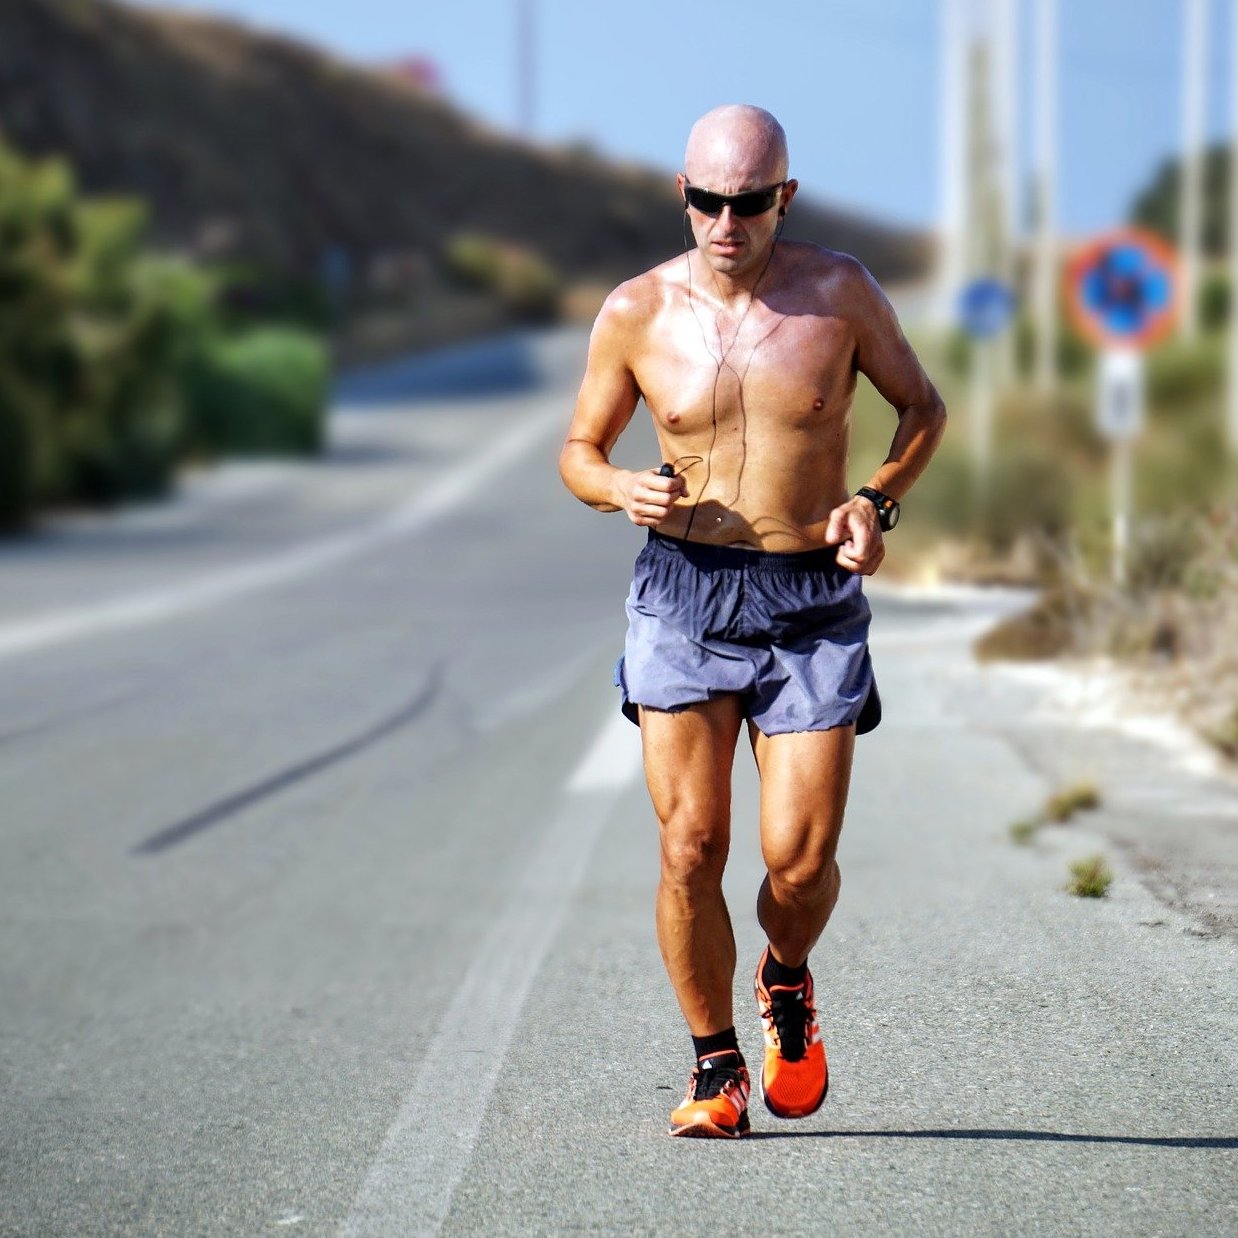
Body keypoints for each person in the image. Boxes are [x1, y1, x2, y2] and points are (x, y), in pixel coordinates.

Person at [559, 104, 946, 1139]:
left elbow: (921, 407)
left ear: (783, 196)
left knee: (798, 862)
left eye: (745, 202)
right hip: (682, 589)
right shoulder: (635, 309)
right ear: (681, 195)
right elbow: (578, 448)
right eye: (704, 201)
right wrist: (613, 487)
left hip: (808, 596)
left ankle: (783, 974)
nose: (723, 222)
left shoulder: (839, 294)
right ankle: (714, 1064)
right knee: (690, 845)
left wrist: (874, 499)